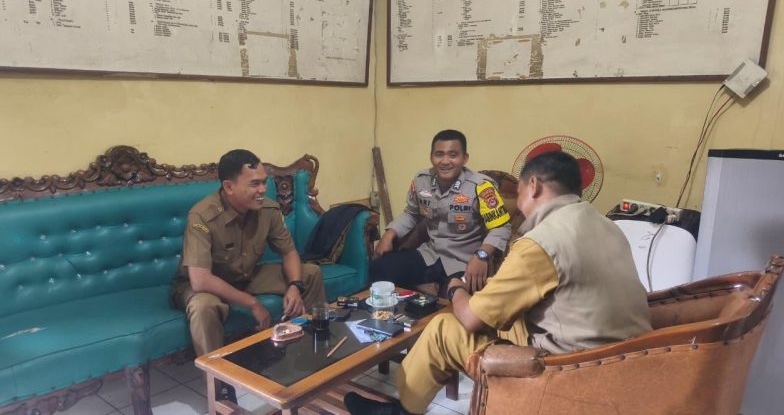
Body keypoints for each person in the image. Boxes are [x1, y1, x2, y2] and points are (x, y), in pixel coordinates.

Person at [345, 151, 652, 415]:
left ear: (533, 186)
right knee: (501, 315)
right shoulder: (609, 226)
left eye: (519, 193)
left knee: (443, 327)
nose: (518, 206)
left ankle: (401, 410)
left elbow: (471, 317)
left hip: (569, 368)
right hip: (625, 360)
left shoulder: (541, 242)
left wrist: (456, 288)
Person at [171, 149, 326, 402]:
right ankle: (220, 386)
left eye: (264, 182)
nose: (263, 190)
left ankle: (310, 355)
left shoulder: (268, 209)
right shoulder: (202, 216)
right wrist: (252, 304)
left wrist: (295, 286)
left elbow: (289, 252)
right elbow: (200, 280)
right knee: (203, 307)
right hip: (205, 285)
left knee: (310, 273)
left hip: (246, 276)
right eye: (254, 184)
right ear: (229, 187)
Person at [371, 129, 512, 294]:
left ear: (465, 158)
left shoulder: (481, 187)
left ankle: (433, 295)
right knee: (380, 268)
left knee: (453, 294)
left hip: (464, 262)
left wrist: (481, 255)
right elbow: (411, 214)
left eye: (453, 155)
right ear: (431, 157)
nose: (445, 161)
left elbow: (501, 227)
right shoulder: (422, 180)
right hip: (430, 255)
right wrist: (389, 234)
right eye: (439, 154)